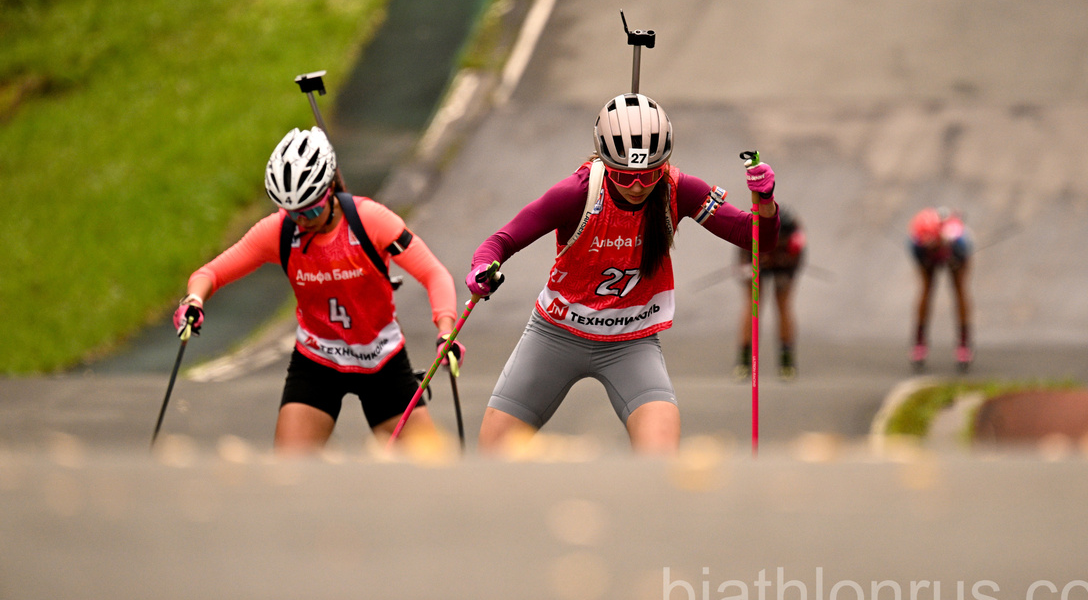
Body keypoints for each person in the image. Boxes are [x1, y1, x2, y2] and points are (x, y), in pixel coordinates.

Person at [465, 92, 781, 456]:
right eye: (624, 176)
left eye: (649, 174)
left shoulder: (678, 189)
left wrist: (766, 201)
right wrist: (482, 268)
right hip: (555, 336)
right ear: (604, 160)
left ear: (664, 163)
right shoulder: (578, 193)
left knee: (660, 458)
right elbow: (501, 241)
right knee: (493, 454)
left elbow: (756, 238)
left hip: (631, 344)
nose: (637, 186)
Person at [171, 126, 461, 454]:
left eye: (310, 209)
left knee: (427, 465)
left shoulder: (370, 221)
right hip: (318, 360)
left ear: (331, 188)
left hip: (381, 359)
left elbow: (434, 273)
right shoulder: (280, 231)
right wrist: (194, 300)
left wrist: (445, 330)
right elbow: (209, 273)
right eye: (293, 212)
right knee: (290, 469)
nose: (303, 221)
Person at [734, 206, 805, 379]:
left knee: (783, 305)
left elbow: (797, 262)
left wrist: (780, 261)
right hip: (755, 261)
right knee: (752, 307)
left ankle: (787, 362)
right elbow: (742, 264)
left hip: (784, 267)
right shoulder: (750, 231)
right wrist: (749, 268)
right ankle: (744, 362)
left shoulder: (794, 236)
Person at [907, 206, 974, 371]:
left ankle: (964, 343)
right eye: (926, 244)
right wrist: (928, 255)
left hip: (953, 252)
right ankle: (919, 341)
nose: (929, 247)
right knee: (926, 290)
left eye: (932, 244)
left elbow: (963, 257)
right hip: (931, 253)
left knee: (959, 290)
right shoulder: (916, 246)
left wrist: (953, 259)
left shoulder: (959, 242)